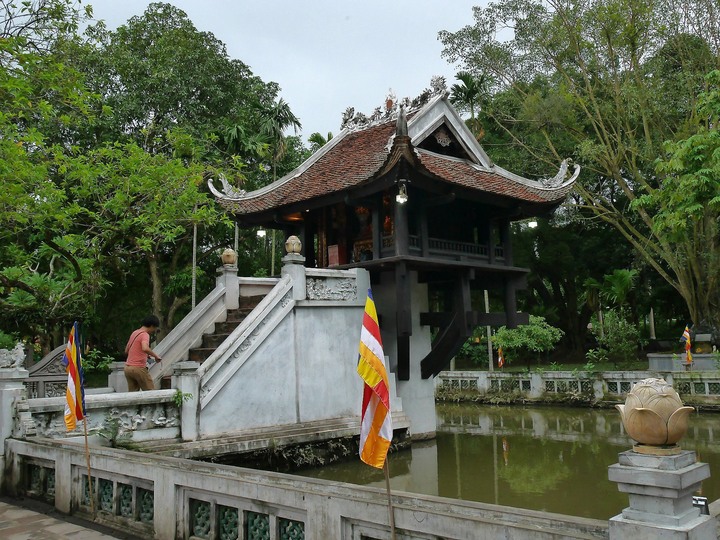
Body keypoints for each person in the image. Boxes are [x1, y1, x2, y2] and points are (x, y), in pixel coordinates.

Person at [124, 315, 162, 391]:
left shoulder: (135, 333)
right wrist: (156, 356)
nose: (154, 330)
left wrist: (144, 355)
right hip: (138, 368)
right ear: (151, 326)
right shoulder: (145, 335)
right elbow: (145, 348)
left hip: (127, 368)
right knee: (150, 392)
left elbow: (126, 350)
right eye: (154, 328)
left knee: (133, 395)